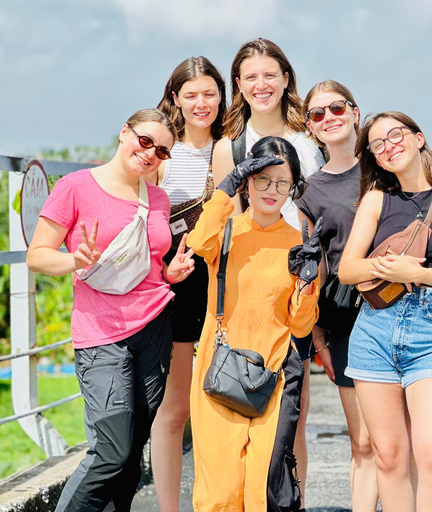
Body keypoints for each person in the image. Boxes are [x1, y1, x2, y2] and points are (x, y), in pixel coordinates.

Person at [26, 109, 195, 512]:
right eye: (145, 141)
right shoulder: (75, 186)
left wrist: (169, 274)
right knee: (111, 451)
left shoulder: (157, 198)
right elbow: (37, 255)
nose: (150, 153)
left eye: (162, 151)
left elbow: (149, 264)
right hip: (101, 334)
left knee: (133, 450)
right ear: (124, 132)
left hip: (155, 327)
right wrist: (74, 261)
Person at [338, 112, 432, 512]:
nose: (389, 146)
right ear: (376, 158)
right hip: (375, 331)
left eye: (396, 135)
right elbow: (347, 270)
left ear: (419, 138)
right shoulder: (376, 200)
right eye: (378, 144)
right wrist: (391, 268)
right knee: (388, 456)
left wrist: (414, 274)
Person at [211, 40, 324, 502]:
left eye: (270, 75)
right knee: (242, 412)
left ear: (286, 79)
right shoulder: (229, 146)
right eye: (251, 76)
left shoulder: (311, 140)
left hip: (302, 286)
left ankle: (292, 501)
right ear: (238, 84)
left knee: (294, 413)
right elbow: (226, 227)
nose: (261, 85)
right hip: (250, 299)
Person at [187, 136, 320, 512]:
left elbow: (300, 326)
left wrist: (307, 283)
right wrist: (227, 185)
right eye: (262, 179)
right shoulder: (226, 232)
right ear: (247, 180)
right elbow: (198, 240)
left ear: (292, 188)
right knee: (220, 492)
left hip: (274, 374)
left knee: (263, 489)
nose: (271, 190)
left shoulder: (298, 242)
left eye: (282, 183)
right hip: (220, 369)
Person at [147, 56, 227, 512]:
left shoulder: (231, 145)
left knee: (222, 402)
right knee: (175, 408)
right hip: (173, 285)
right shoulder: (162, 151)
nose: (201, 103)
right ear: (175, 97)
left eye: (210, 93)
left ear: (222, 96)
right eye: (191, 94)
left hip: (223, 284)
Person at [294, 80, 379, 510]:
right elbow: (316, 268)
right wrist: (319, 338)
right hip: (347, 321)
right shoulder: (309, 191)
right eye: (317, 113)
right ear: (310, 126)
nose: (329, 117)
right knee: (363, 442)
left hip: (403, 310)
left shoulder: (386, 168)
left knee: (401, 441)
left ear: (355, 111)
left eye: (337, 108)